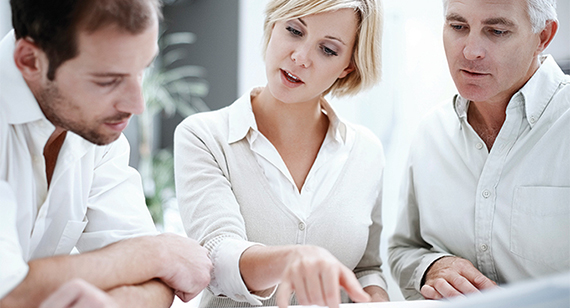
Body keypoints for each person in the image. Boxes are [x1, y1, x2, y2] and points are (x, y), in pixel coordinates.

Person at [174, 0, 388, 307]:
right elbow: (217, 258)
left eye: (327, 49)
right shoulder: (205, 136)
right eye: (293, 30)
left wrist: (375, 298)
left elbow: (366, 268)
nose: (300, 57)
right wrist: (292, 259)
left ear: (347, 67)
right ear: (273, 25)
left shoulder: (367, 151)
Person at [0, 0, 212, 307]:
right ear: (31, 60)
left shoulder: (94, 127)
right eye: (108, 80)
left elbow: (160, 280)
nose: (137, 105)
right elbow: (9, 291)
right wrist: (155, 253)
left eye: (142, 69)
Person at [388, 0, 569, 301]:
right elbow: (403, 249)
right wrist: (431, 267)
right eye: (458, 26)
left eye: (496, 31)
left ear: (543, 37)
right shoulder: (431, 134)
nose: (471, 51)